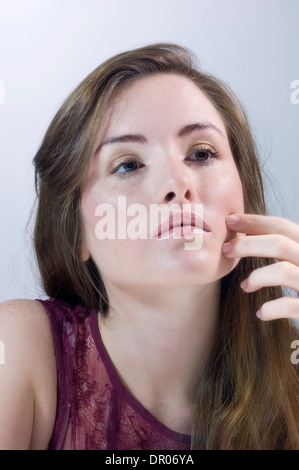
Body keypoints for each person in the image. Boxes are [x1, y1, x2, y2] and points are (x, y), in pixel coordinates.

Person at [0, 43, 298, 450]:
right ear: (75, 233)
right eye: (128, 164)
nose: (178, 183)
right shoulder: (17, 347)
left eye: (201, 153)